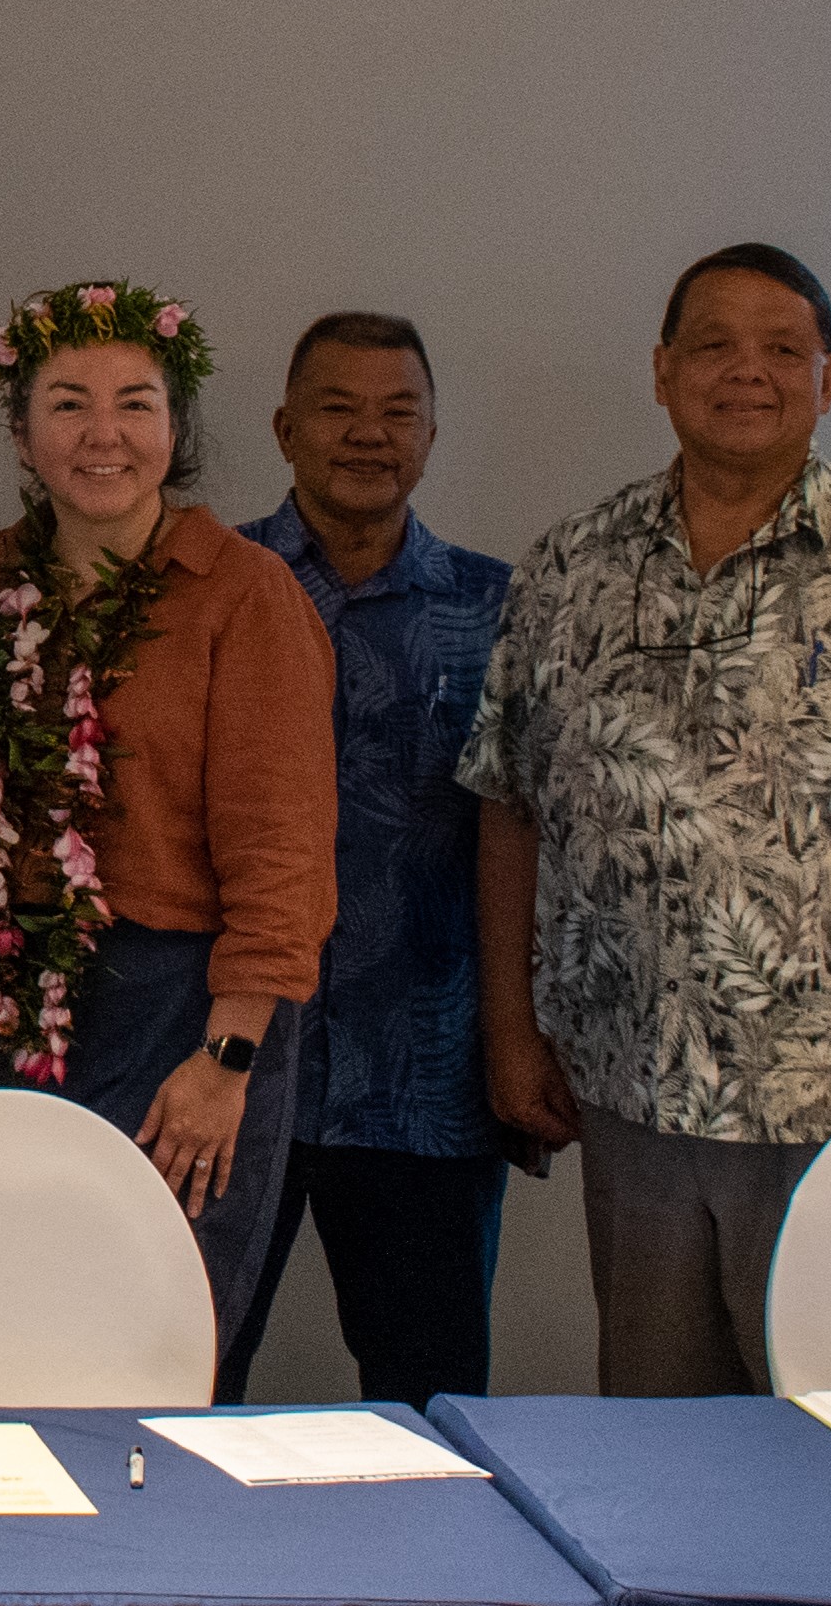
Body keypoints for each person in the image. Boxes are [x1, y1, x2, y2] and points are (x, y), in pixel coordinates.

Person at [466, 242, 831, 1396]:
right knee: (662, 1446)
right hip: (632, 1092)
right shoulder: (571, 568)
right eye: (714, 346)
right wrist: (510, 1027)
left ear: (829, 378)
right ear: (661, 370)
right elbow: (510, 808)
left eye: (783, 349)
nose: (748, 372)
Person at [0, 282, 337, 1371]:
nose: (103, 434)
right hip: (15, 1002)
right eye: (68, 403)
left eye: (135, 402)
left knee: (148, 1341)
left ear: (178, 429)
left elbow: (283, 854)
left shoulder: (244, 594)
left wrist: (227, 1055)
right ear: (22, 432)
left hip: (192, 1015)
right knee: (7, 1333)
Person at [222, 311, 515, 1408]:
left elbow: (522, 837)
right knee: (182, 1384)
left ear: (433, 434)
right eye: (338, 409)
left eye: (398, 411)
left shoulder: (493, 608)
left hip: (424, 1081)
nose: (368, 435)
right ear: (285, 427)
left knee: (433, 1399)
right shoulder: (216, 585)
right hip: (232, 1070)